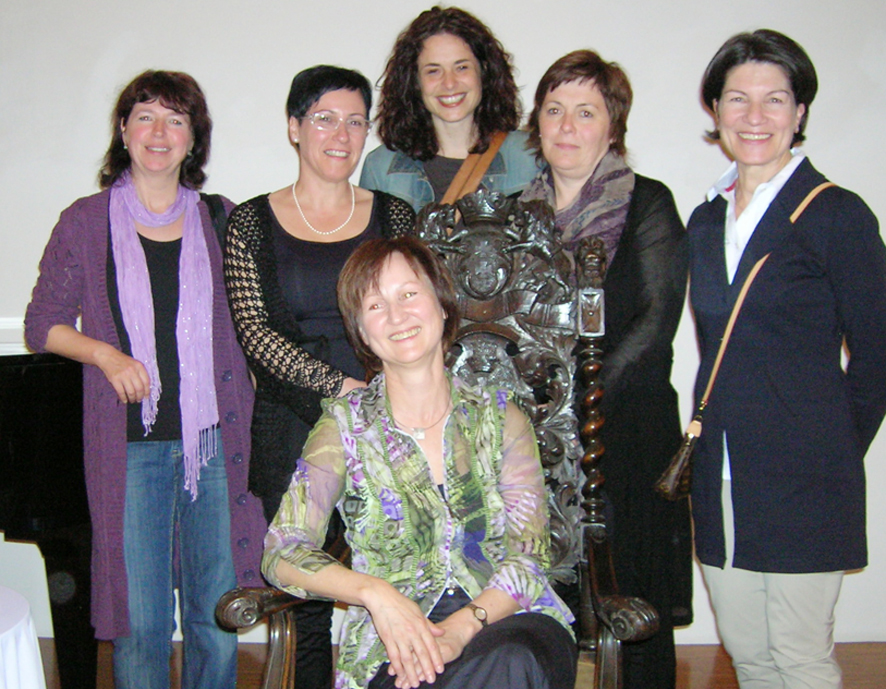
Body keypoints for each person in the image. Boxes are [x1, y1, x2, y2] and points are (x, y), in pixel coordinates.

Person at [24, 70, 265, 689]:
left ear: (193, 138)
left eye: (175, 120)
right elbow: (42, 324)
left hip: (215, 447)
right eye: (146, 116)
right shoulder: (85, 221)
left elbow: (252, 325)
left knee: (217, 616)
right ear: (124, 130)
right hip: (129, 449)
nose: (160, 132)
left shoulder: (222, 219)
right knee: (140, 624)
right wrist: (106, 356)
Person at [262, 236, 577, 689]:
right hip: (397, 642)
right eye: (375, 305)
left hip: (508, 621)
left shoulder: (503, 420)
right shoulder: (344, 429)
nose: (397, 316)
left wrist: (464, 626)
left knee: (509, 661)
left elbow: (529, 557)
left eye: (409, 294)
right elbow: (281, 551)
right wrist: (375, 594)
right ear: (361, 331)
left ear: (443, 305)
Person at [688, 30, 886, 688]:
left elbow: (878, 352)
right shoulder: (705, 222)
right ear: (715, 109)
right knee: (749, 655)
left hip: (806, 479)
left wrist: (831, 448)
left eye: (774, 100)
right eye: (737, 99)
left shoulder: (836, 215)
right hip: (720, 473)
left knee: (800, 658)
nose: (754, 116)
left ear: (799, 112)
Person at [223, 65, 415, 688]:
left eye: (355, 122)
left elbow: (416, 314)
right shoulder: (250, 222)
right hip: (292, 431)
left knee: (398, 580)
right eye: (324, 118)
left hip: (390, 427)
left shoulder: (396, 215)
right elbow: (256, 335)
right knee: (304, 602)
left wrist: (384, 399)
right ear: (294, 127)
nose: (341, 134)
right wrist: (344, 392)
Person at [520, 50, 693, 688]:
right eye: (554, 110)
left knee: (632, 606)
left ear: (613, 126)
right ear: (536, 123)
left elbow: (653, 325)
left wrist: (575, 401)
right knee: (543, 611)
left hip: (627, 435)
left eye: (585, 112)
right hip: (533, 445)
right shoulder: (513, 215)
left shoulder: (647, 203)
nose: (566, 126)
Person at [359, 5, 539, 211]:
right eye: (433, 71)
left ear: (484, 71)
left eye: (461, 67)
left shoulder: (529, 158)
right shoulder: (381, 168)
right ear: (414, 81)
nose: (449, 83)